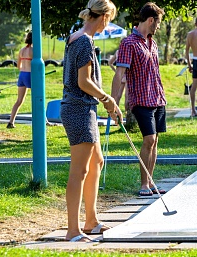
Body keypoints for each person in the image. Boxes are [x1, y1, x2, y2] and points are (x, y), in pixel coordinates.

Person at [60, 0, 122, 242]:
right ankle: (73, 230)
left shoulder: (77, 36)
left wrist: (104, 102)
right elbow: (83, 81)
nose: (108, 25)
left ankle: (91, 222)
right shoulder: (84, 40)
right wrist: (107, 99)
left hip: (84, 108)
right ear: (104, 16)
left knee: (97, 161)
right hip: (78, 109)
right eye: (110, 19)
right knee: (80, 170)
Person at [111, 2, 167, 197]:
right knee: (149, 139)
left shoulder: (153, 43)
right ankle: (144, 184)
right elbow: (119, 74)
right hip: (141, 99)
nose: (158, 27)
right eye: (158, 22)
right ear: (151, 20)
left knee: (155, 141)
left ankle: (151, 183)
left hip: (157, 97)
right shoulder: (129, 43)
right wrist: (114, 103)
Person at [7, 31, 33, 128]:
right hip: (30, 75)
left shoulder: (22, 50)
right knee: (39, 99)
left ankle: (11, 122)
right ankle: (45, 121)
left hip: (22, 75)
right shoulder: (34, 50)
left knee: (19, 101)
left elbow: (18, 66)